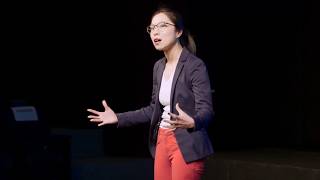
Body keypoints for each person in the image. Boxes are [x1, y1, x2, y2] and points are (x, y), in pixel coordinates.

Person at [87, 6, 214, 180]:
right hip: (162, 140)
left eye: (162, 26)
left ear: (178, 31)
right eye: (152, 28)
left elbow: (206, 110)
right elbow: (153, 109)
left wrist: (193, 121)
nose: (155, 32)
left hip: (186, 143)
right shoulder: (158, 67)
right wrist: (118, 117)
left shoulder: (194, 66)